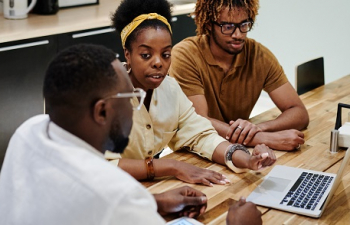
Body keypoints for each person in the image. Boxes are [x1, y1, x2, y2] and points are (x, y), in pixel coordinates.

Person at [0, 44, 262, 225]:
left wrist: (152, 202)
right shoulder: (115, 194)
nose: (136, 104)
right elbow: (109, 199)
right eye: (131, 97)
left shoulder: (29, 131)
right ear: (101, 112)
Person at [106, 0, 276, 187]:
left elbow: (201, 135)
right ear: (127, 55)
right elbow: (104, 166)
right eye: (146, 55)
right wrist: (171, 166)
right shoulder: (105, 96)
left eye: (166, 54)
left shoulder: (170, 89)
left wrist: (246, 159)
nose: (158, 63)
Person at [169, 0, 309, 151]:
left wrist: (258, 128)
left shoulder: (259, 55)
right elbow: (199, 121)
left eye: (244, 25)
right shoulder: (185, 55)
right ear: (209, 24)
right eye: (228, 27)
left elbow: (299, 112)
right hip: (192, 150)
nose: (238, 34)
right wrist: (265, 139)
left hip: (237, 147)